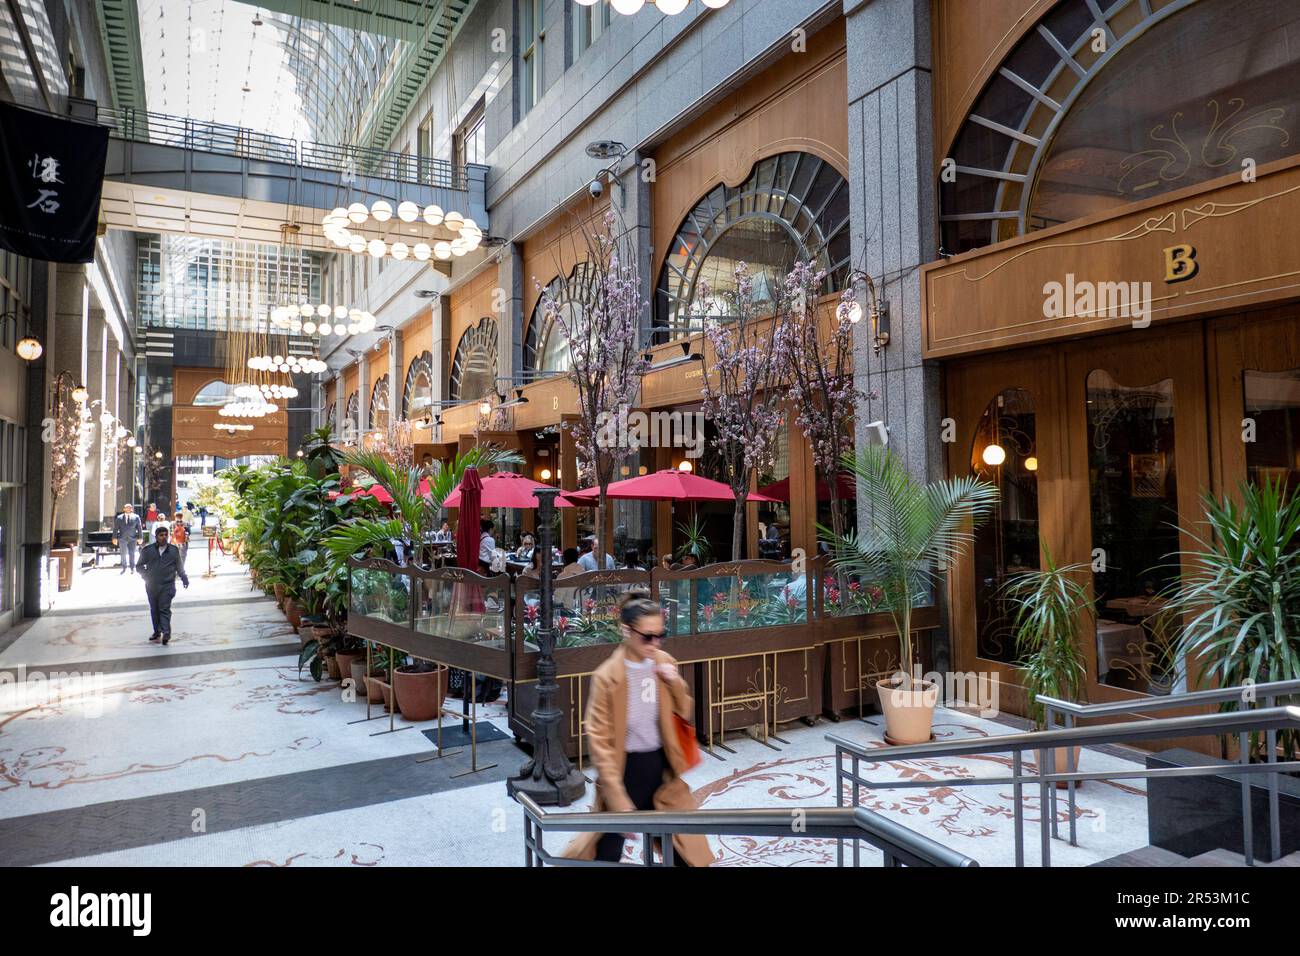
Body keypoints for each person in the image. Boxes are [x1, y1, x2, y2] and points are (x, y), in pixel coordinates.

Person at [562, 592, 710, 866]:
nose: (654, 643)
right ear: (626, 631)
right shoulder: (607, 676)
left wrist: (675, 682)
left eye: (660, 635)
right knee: (605, 852)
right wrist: (617, 797)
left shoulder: (664, 662)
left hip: (661, 768)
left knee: (685, 849)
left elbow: (685, 710)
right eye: (647, 636)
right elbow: (599, 740)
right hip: (624, 770)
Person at [137, 525, 190, 645]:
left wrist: (184, 578)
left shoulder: (173, 550)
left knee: (164, 608)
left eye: (166, 535)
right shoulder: (148, 550)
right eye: (161, 535)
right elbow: (139, 566)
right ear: (156, 537)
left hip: (168, 585)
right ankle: (157, 631)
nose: (164, 537)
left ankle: (166, 632)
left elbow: (179, 566)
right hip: (152, 585)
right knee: (154, 609)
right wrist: (146, 576)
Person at [112, 503, 143, 575]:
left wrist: (140, 537)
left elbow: (139, 528)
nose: (128, 509)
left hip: (133, 538)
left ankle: (132, 567)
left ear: (131, 509)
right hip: (122, 538)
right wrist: (114, 538)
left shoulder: (136, 517)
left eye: (130, 508)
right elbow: (115, 529)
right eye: (127, 508)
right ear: (124, 509)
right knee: (123, 554)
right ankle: (124, 567)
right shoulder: (119, 518)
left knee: (132, 553)